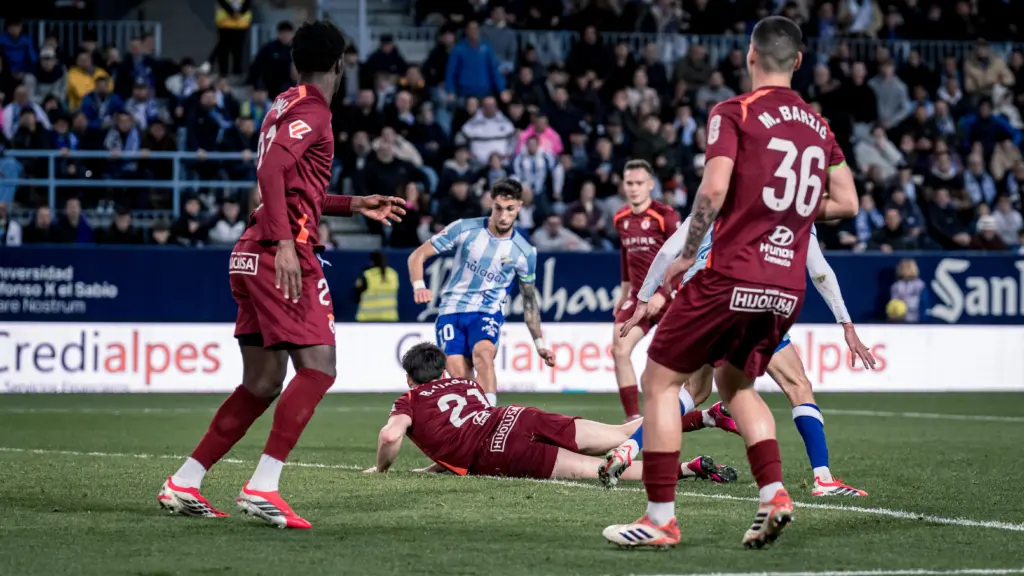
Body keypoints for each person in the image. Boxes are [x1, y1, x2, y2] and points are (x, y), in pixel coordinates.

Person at [602, 16, 859, 550]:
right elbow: (847, 203)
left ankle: (660, 519)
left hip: (731, 275)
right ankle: (774, 495)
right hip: (786, 288)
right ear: (799, 61)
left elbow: (713, 191)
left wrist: (687, 253)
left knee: (659, 382)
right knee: (737, 386)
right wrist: (784, 207)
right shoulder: (819, 126)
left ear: (749, 56)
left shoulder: (733, 112)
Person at [158, 21, 406, 530]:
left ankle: (185, 480)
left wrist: (353, 204)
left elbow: (294, 184)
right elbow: (271, 172)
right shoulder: (314, 109)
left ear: (298, 63)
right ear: (341, 63)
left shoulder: (283, 103)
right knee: (319, 368)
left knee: (263, 382)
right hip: (277, 252)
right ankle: (263, 486)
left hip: (251, 251)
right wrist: (287, 244)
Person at [606, 220, 875, 497]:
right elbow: (820, 272)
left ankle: (631, 446)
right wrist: (846, 324)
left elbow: (666, 252)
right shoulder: (793, 208)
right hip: (747, 295)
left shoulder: (714, 201)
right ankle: (820, 479)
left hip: (697, 297)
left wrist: (642, 300)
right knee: (797, 386)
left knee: (692, 392)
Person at [365, 343, 737, 485]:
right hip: (516, 416)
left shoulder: (408, 401)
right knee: (619, 433)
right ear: (443, 371)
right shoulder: (465, 384)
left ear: (409, 378)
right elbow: (464, 431)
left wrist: (382, 469)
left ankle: (690, 468)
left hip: (498, 449)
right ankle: (705, 416)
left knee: (595, 469)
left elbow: (389, 436)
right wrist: (433, 467)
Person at [407, 179, 555, 407]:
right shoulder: (464, 228)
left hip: (486, 312)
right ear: (490, 203)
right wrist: (419, 285)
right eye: (498, 208)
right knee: (460, 377)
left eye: (510, 209)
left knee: (483, 356)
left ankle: (489, 422)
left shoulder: (525, 252)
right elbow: (417, 255)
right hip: (451, 311)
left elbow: (529, 301)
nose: (503, 216)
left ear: (519, 207)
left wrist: (539, 343)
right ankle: (474, 423)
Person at [610, 159, 682, 422]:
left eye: (639, 183)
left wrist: (663, 292)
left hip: (669, 298)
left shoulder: (666, 216)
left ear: (651, 185)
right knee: (619, 349)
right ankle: (633, 419)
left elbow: (684, 258)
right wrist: (624, 292)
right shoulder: (620, 218)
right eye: (629, 183)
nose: (634, 188)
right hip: (638, 299)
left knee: (672, 361)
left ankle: (681, 411)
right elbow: (626, 258)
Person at [354, 251, 400, 322]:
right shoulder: (393, 274)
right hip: (389, 318)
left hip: (367, 319)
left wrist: (357, 287)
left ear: (372, 261)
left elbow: (356, 298)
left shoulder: (367, 275)